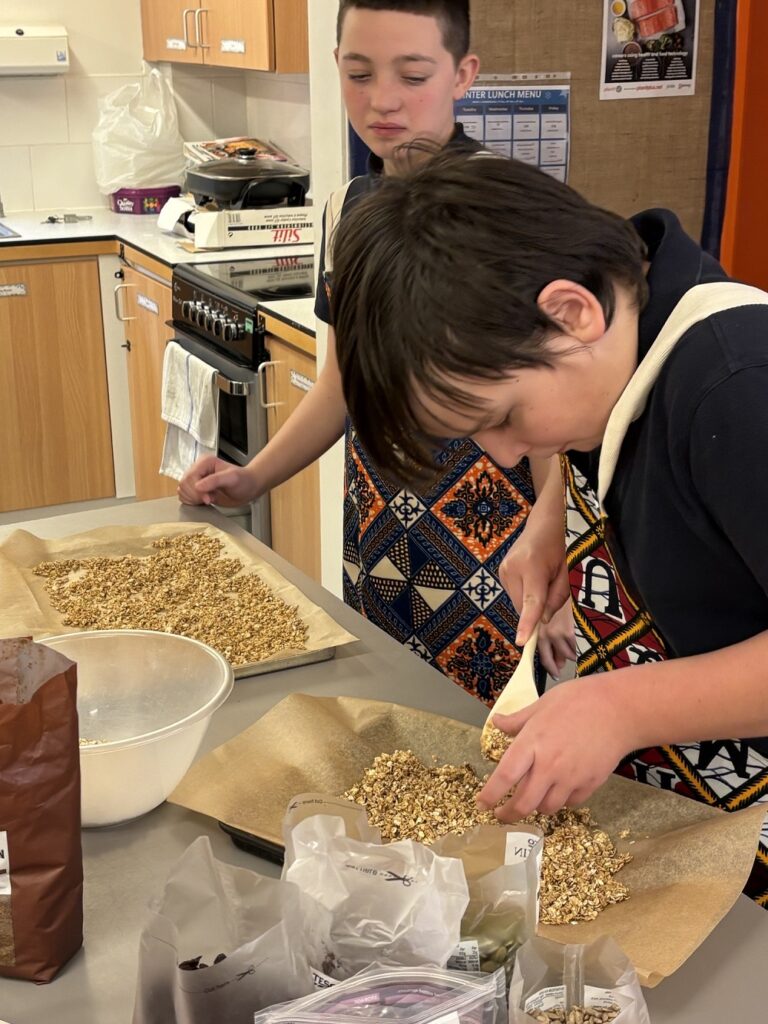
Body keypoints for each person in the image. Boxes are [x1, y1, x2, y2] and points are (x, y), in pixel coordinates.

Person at [328, 146, 768, 904]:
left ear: (572, 312)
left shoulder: (739, 388)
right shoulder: (627, 335)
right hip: (689, 797)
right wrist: (552, 510)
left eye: (503, 418)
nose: (501, 453)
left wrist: (624, 708)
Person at [179, 1, 561, 702]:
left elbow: (557, 420)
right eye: (359, 73)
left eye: (412, 75)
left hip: (496, 553)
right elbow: (345, 381)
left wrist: (553, 533)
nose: (382, 100)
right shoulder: (349, 208)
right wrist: (255, 477)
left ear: (463, 74)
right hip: (381, 541)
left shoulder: (511, 214)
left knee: (483, 753)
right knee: (387, 734)